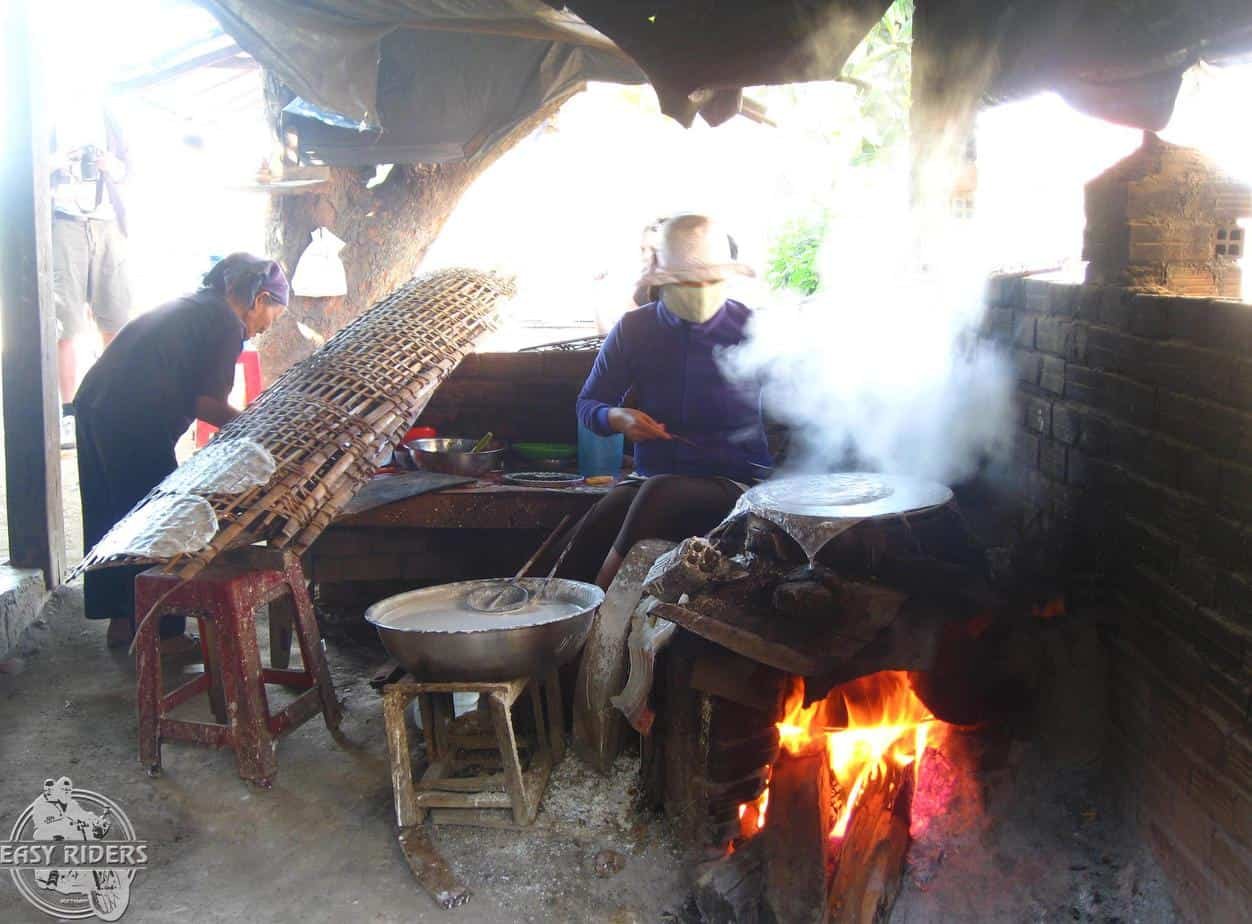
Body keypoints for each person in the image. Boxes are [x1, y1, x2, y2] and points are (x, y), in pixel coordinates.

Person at [75, 253, 289, 651]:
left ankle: (123, 623)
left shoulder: (195, 305)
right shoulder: (225, 322)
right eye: (272, 315)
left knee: (114, 514)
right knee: (156, 521)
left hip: (94, 403)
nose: (263, 329)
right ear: (259, 299)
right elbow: (206, 404)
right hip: (131, 416)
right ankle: (162, 634)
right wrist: (259, 433)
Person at [572, 214, 772, 588]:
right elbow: (589, 403)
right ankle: (553, 602)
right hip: (654, 475)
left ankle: (596, 604)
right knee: (607, 510)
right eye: (685, 280)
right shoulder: (634, 330)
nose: (699, 289)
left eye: (710, 280)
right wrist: (617, 417)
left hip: (735, 484)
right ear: (662, 279)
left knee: (658, 494)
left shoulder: (753, 329)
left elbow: (798, 408)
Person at [49, 101, 133, 449]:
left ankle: (111, 401)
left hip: (107, 223)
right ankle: (68, 412)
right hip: (64, 222)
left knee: (115, 316)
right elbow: (24, 168)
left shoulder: (108, 114)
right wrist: (58, 161)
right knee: (64, 322)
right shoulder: (48, 117)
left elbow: (130, 168)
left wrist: (109, 166)